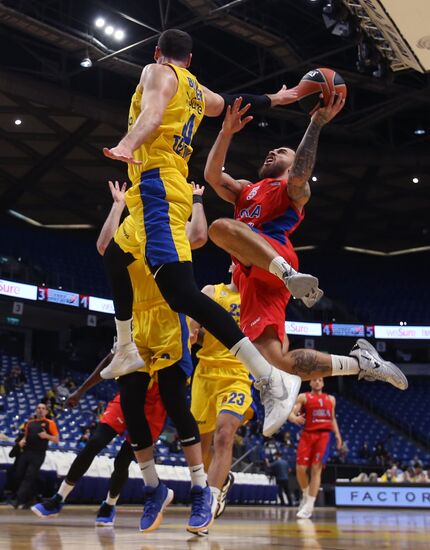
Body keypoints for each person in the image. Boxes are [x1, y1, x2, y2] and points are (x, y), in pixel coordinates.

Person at [102, 27, 308, 438]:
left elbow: (154, 114)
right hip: (151, 192)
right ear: (190, 61)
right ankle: (125, 347)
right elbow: (231, 103)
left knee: (181, 293)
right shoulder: (196, 90)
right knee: (115, 254)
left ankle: (269, 376)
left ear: (158, 53)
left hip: (159, 186)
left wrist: (128, 142)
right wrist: (279, 98)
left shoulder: (157, 72)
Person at [203, 94, 408, 395]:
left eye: (281, 151)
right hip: (253, 278)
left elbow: (300, 172)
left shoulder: (294, 190)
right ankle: (362, 363)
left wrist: (315, 123)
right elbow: (211, 175)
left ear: (292, 162)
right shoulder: (246, 189)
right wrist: (226, 133)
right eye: (273, 149)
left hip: (276, 255)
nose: (272, 151)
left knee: (219, 228)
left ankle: (288, 273)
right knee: (276, 359)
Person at [31, 352, 166, 527]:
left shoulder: (172, 339)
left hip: (153, 408)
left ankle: (109, 505)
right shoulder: (134, 332)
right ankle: (58, 499)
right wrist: (80, 392)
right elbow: (109, 360)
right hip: (127, 397)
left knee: (122, 462)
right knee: (94, 443)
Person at [189, 266, 254, 520]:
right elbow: (191, 328)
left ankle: (208, 502)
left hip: (237, 375)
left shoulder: (257, 300)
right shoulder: (211, 292)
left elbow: (277, 340)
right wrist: (190, 335)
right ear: (229, 266)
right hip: (205, 375)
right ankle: (218, 482)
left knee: (225, 436)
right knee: (199, 447)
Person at [292, 378, 342, 519]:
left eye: (320, 380)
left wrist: (337, 435)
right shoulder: (304, 397)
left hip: (324, 436)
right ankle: (305, 492)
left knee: (316, 468)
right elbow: (293, 411)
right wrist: (294, 417)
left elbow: (332, 418)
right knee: (300, 469)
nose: (317, 382)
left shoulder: (331, 399)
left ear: (323, 383)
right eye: (314, 380)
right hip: (308, 434)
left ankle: (309, 506)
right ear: (310, 383)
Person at [13, 403, 59, 508]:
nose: (40, 410)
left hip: (38, 454)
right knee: (19, 474)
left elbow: (56, 439)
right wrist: (22, 441)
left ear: (46, 411)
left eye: (43, 408)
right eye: (38, 408)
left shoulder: (50, 423)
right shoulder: (29, 423)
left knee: (29, 476)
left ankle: (19, 500)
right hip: (26, 452)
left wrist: (46, 435)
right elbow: (25, 437)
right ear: (35, 410)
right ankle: (32, 499)